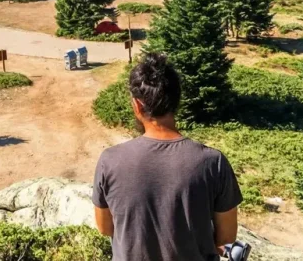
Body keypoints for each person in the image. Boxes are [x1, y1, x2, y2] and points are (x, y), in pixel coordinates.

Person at [93, 53, 243, 260]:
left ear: (137, 105)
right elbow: (226, 238)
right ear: (177, 101)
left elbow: (104, 228)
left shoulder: (109, 161)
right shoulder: (213, 162)